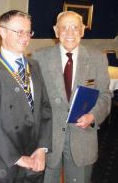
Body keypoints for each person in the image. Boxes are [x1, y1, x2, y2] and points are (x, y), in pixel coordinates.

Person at [32, 11, 111, 183]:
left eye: (75, 28)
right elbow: (35, 100)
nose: (70, 33)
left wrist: (93, 115)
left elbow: (105, 96)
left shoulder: (98, 59)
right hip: (49, 140)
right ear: (56, 30)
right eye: (64, 28)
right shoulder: (39, 57)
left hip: (83, 138)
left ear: (82, 30)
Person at [0, 10, 52, 183]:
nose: (25, 37)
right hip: (5, 163)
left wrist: (42, 148)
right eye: (19, 31)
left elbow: (45, 109)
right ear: (2, 32)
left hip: (35, 158)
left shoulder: (34, 66)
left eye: (28, 32)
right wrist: (18, 159)